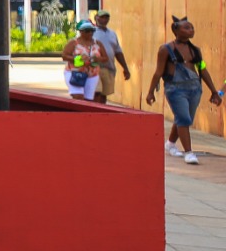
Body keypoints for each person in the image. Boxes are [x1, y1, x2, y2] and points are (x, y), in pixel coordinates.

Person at [146, 15, 222, 165]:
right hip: (175, 89)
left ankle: (170, 144)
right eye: (186, 28)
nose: (191, 30)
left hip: (194, 89)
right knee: (184, 119)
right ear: (176, 30)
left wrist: (213, 91)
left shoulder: (195, 50)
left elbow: (203, 70)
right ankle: (189, 153)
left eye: (192, 27)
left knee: (183, 118)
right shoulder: (166, 49)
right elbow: (158, 71)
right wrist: (150, 92)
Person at [61, 21, 108, 103]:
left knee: (89, 100)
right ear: (81, 31)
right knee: (78, 97)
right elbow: (64, 56)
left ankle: (86, 115)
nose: (90, 33)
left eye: (92, 30)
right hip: (75, 73)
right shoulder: (73, 43)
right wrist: (78, 59)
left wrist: (97, 59)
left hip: (92, 74)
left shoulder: (97, 43)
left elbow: (105, 58)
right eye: (87, 31)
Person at [91, 10, 131, 104]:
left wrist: (125, 68)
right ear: (96, 17)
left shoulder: (112, 34)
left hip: (109, 68)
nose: (104, 19)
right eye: (102, 17)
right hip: (95, 67)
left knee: (104, 94)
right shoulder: (92, 32)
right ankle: (94, 113)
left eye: (106, 17)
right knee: (96, 93)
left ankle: (101, 114)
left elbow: (118, 52)